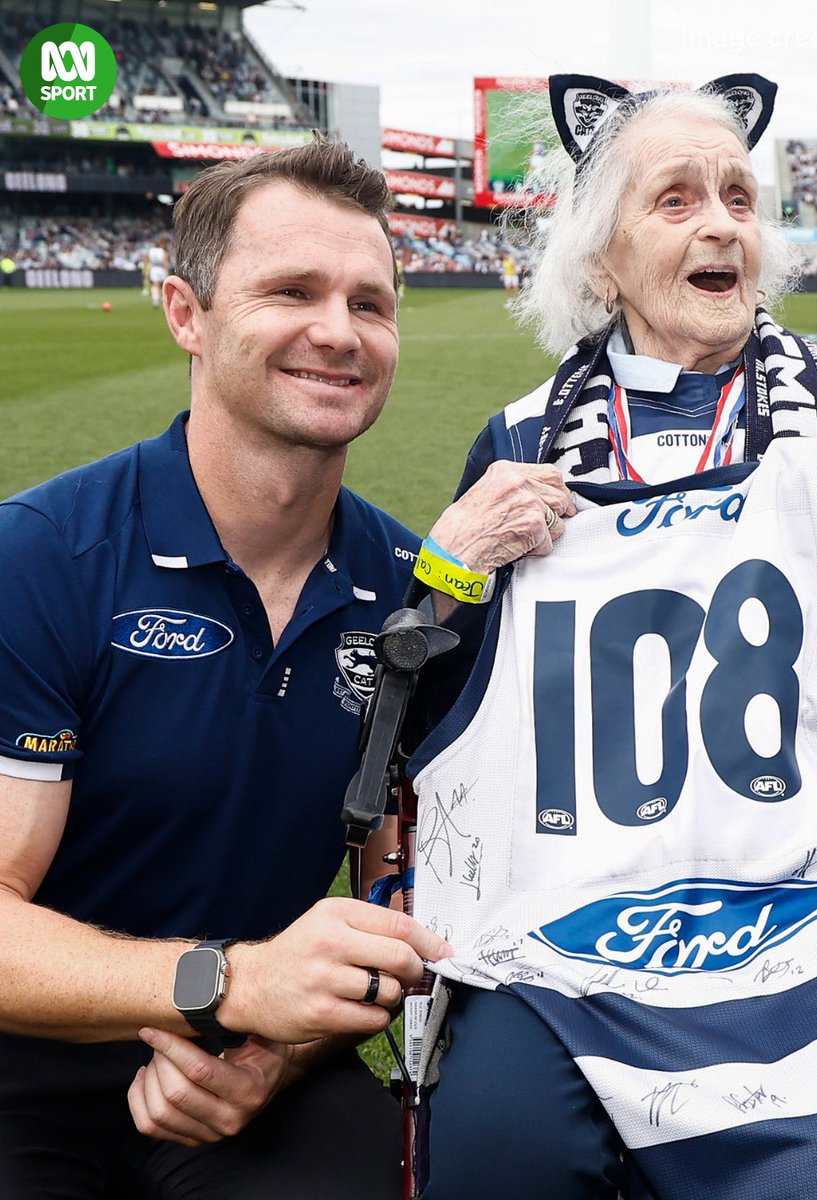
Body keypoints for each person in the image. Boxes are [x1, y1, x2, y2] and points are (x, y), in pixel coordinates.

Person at [404, 73, 817, 1199]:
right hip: (571, 928)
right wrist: (448, 564)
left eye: (739, 198)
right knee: (495, 1155)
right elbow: (440, 719)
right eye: (676, 199)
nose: (720, 224)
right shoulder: (519, 442)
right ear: (600, 258)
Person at [0, 134, 451, 1198]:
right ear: (185, 314)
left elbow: (414, 896)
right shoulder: (40, 555)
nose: (338, 333)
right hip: (23, 1070)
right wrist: (227, 983)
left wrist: (276, 1054)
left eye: (370, 304)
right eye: (291, 290)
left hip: (262, 1072)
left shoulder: (415, 594)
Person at [147, 239, 169, 308]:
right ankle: (163, 301)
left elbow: (149, 260)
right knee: (163, 285)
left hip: (154, 268)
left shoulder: (151, 251)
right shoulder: (162, 251)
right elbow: (164, 260)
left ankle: (155, 300)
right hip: (161, 268)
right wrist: (167, 270)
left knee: (155, 285)